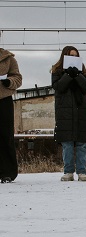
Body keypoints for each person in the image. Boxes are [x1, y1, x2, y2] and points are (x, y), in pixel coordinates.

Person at [52, 46, 86, 182]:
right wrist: (68, 75)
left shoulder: (83, 72)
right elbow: (58, 87)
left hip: (81, 110)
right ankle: (68, 171)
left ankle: (82, 171)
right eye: (71, 55)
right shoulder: (57, 71)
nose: (74, 58)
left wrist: (77, 75)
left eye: (76, 56)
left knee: (82, 142)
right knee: (67, 143)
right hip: (64, 112)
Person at [0, 40, 22, 184]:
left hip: (3, 100)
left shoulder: (9, 58)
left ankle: (7, 172)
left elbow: (18, 78)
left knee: (5, 136)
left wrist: (9, 82)